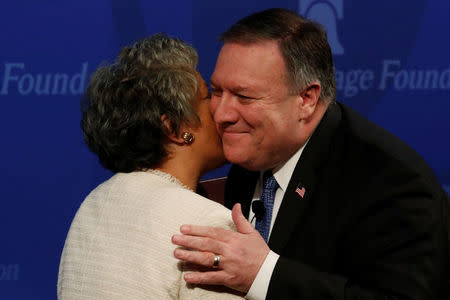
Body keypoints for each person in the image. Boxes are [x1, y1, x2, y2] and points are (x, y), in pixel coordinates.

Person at [171, 8, 449, 299]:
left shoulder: (393, 182)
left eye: (244, 96)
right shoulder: (251, 158)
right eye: (217, 91)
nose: (222, 113)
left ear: (306, 99)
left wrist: (264, 274)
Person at [57, 33, 244, 299]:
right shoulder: (206, 224)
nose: (221, 110)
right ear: (175, 128)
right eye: (206, 96)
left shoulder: (93, 204)